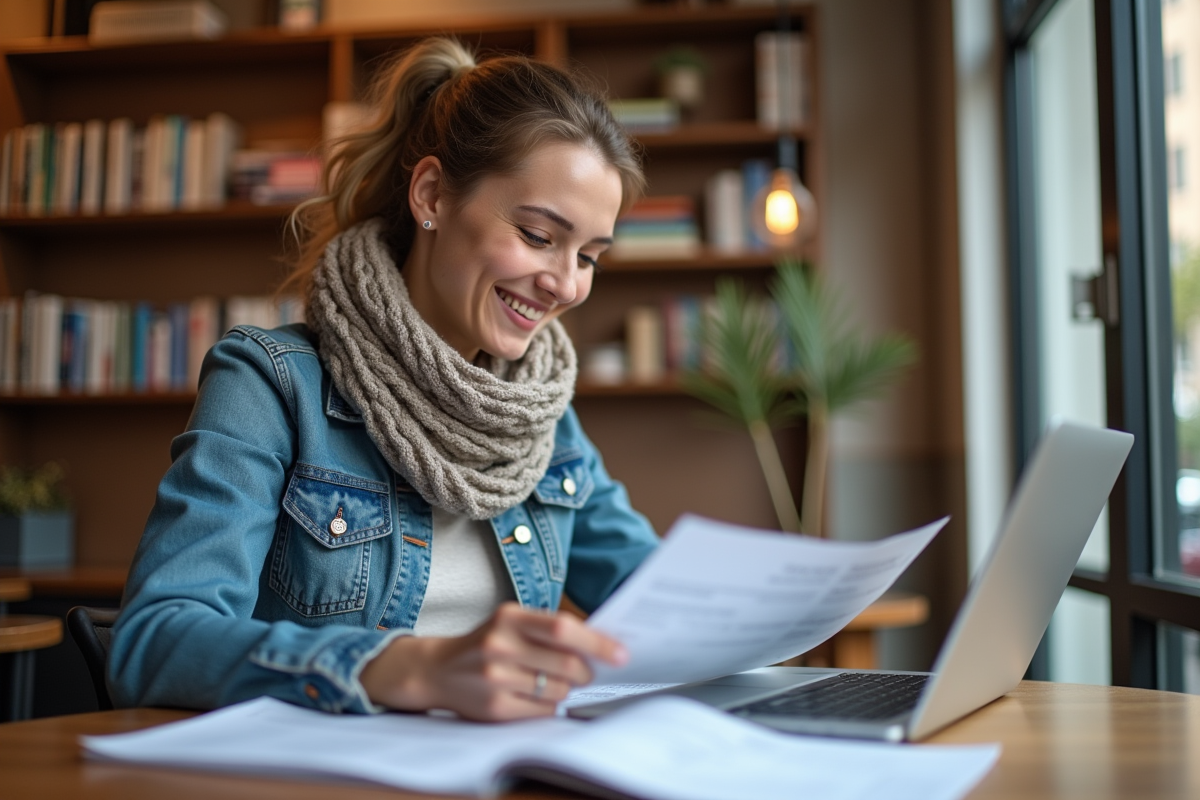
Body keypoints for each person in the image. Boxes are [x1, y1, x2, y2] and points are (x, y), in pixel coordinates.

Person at [108, 37, 659, 721]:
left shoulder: (538, 412)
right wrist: (412, 667)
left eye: (590, 256)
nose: (566, 285)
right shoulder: (271, 384)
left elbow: (662, 609)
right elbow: (152, 643)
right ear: (431, 194)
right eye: (539, 236)